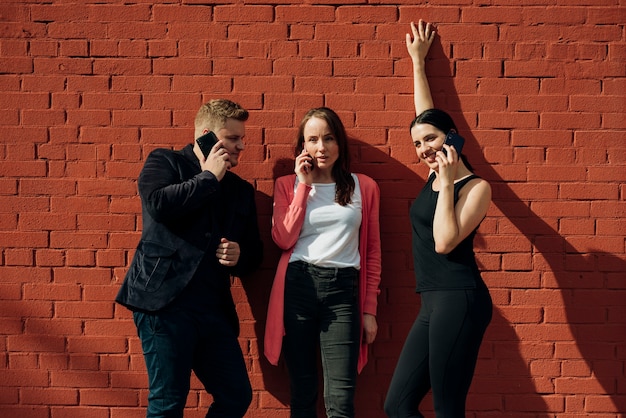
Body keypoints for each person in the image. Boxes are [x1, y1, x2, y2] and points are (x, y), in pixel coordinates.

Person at [115, 99, 263, 418]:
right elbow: (158, 204)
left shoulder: (240, 191)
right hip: (164, 306)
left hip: (212, 311)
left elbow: (254, 256)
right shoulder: (165, 162)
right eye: (232, 138)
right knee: (168, 402)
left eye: (242, 138)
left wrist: (239, 255)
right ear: (207, 136)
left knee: (236, 395)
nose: (241, 146)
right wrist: (208, 178)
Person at [384, 20, 493, 418]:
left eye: (431, 140)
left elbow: (445, 242)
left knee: (448, 408)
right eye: (416, 144)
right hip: (431, 302)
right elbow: (424, 115)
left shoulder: (474, 187)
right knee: (397, 405)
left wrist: (447, 183)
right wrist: (417, 62)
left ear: (451, 137)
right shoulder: (436, 171)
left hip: (460, 299)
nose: (423, 149)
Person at [264, 107, 382, 417]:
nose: (321, 147)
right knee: (302, 394)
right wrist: (303, 186)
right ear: (302, 145)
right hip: (298, 286)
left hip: (344, 292)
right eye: (312, 139)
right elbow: (283, 239)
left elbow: (371, 251)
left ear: (339, 143)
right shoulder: (287, 184)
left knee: (341, 400)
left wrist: (369, 309)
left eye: (328, 138)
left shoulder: (364, 187)